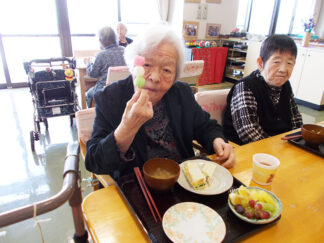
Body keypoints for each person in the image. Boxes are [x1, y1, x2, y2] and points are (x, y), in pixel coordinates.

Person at [85, 23, 235, 180]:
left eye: (166, 70)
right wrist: (127, 127)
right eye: (147, 65)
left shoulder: (181, 92)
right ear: (133, 64)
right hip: (137, 186)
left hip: (184, 179)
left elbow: (206, 126)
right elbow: (94, 161)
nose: (155, 78)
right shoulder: (110, 98)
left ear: (175, 76)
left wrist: (218, 141)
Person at [222, 35, 303, 145]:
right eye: (276, 62)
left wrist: (296, 141)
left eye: (289, 63)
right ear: (260, 63)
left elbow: (296, 121)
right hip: (248, 150)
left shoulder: (285, 85)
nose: (283, 70)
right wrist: (278, 148)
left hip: (280, 147)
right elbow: (248, 132)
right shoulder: (246, 86)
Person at [85, 26, 126, 107]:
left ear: (100, 41)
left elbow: (93, 74)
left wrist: (88, 63)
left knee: (89, 93)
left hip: (105, 89)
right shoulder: (125, 50)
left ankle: (94, 116)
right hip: (123, 88)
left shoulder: (101, 55)